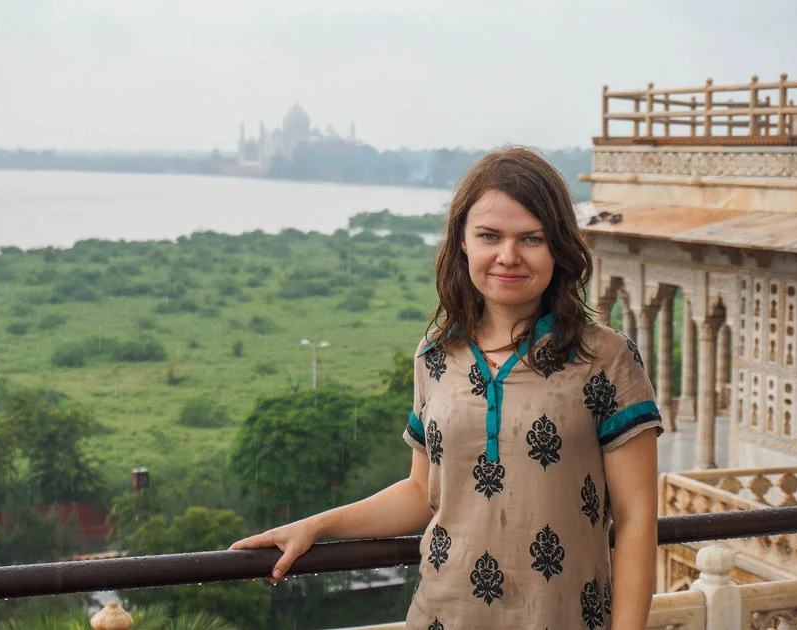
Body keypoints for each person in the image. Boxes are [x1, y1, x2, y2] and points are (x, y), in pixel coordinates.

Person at [230, 147, 662, 630]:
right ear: (462, 242)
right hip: (442, 614)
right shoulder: (437, 354)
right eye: (489, 236)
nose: (508, 256)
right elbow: (422, 491)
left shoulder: (605, 358)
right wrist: (316, 526)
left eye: (531, 239)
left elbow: (636, 517)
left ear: (559, 247)